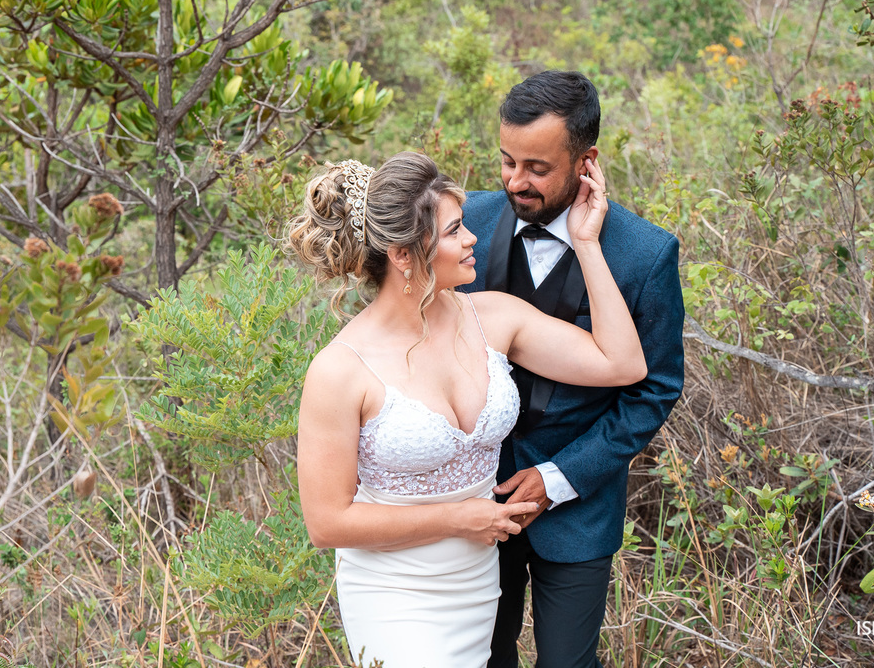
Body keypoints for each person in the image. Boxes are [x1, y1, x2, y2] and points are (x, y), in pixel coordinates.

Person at [289, 150, 647, 668]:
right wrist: (458, 518)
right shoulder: (339, 369)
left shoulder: (493, 318)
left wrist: (587, 243)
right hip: (395, 591)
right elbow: (326, 523)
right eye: (455, 230)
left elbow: (622, 364)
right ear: (404, 255)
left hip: (476, 584)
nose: (472, 237)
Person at [457, 71, 686, 668]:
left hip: (578, 509)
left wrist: (559, 477)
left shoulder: (643, 252)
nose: (514, 180)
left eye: (537, 167)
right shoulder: (467, 226)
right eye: (507, 160)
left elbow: (655, 389)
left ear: (586, 161)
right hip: (470, 500)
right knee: (481, 658)